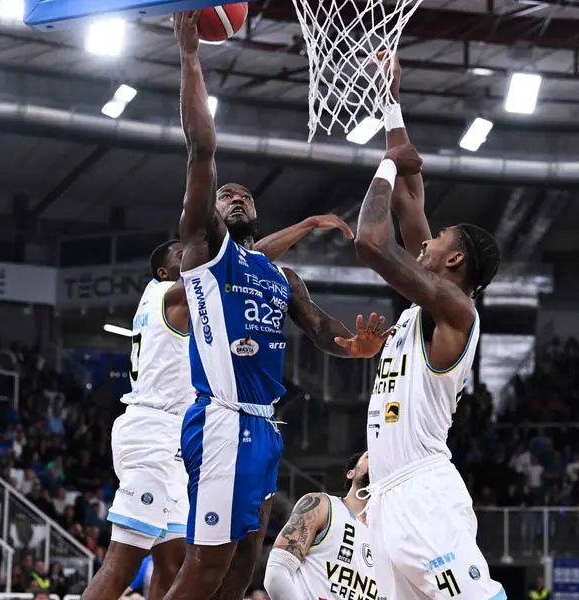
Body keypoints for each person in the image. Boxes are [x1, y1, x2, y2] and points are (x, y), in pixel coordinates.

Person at [163, 12, 389, 600]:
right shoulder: (204, 251)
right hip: (219, 417)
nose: (235, 197)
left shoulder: (279, 273)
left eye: (244, 195)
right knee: (207, 565)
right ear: (211, 212)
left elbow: (317, 326)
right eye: (225, 195)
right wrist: (190, 59)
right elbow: (201, 150)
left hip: (265, 425)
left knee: (246, 565)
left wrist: (350, 345)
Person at [81, 184, 353, 600]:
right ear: (168, 270)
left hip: (179, 432)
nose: (197, 255)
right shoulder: (168, 294)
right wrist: (307, 225)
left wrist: (305, 226)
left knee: (173, 562)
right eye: (185, 254)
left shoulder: (198, 283)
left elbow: (244, 262)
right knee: (124, 562)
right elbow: (241, 261)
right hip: (156, 429)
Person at [352, 55, 504, 600]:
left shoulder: (456, 311)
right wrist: (390, 101)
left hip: (423, 490)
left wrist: (387, 162)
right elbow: (409, 197)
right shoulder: (429, 296)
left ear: (455, 261)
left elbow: (370, 240)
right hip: (388, 499)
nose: (428, 235)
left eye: (439, 236)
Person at [263, 452, 375, 600]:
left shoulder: (388, 536)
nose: (375, 460)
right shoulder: (322, 506)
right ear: (350, 473)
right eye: (369, 456)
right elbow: (276, 574)